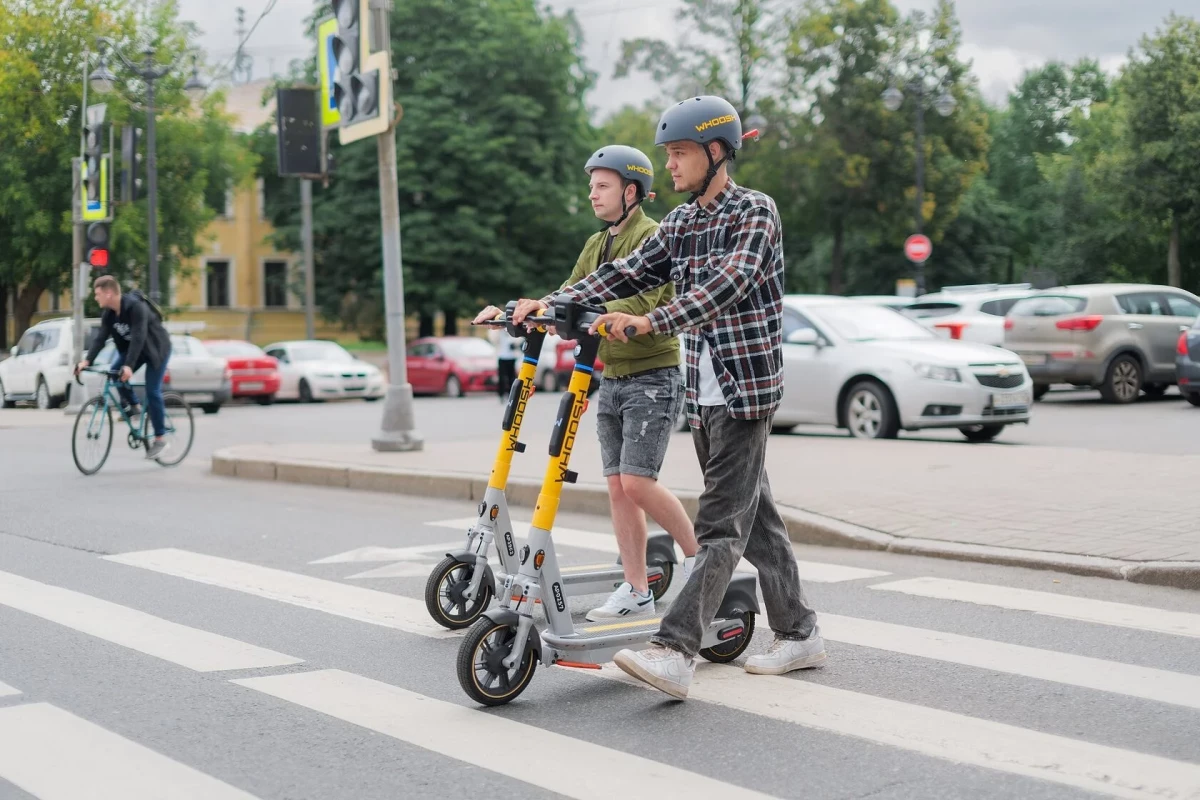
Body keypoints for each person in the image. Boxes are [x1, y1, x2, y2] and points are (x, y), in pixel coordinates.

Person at [513, 97, 825, 699]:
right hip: (704, 392)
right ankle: (800, 631)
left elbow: (723, 287)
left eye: (680, 154)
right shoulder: (681, 224)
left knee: (719, 528)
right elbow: (624, 274)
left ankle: (675, 649)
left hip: (744, 388)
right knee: (754, 519)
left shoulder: (755, 212)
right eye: (668, 155)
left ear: (715, 153)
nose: (671, 166)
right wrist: (551, 305)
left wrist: (651, 323)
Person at [475, 144, 699, 620]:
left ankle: (704, 561)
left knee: (637, 483)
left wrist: (596, 315)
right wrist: (535, 308)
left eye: (603, 186)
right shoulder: (596, 245)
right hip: (611, 376)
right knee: (618, 487)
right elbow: (574, 290)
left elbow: (650, 303)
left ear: (631, 191)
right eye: (591, 185)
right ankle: (637, 588)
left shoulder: (653, 236)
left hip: (653, 376)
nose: (593, 194)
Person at [76, 275, 173, 459]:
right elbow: (101, 338)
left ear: (109, 293)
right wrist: (86, 361)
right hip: (134, 352)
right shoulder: (109, 314)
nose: (95, 298)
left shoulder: (137, 308)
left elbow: (138, 337)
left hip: (156, 350)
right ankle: (135, 406)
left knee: (152, 391)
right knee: (114, 373)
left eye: (98, 294)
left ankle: (160, 438)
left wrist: (128, 366)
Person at [491, 327, 521, 400]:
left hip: (511, 356)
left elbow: (519, 338)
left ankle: (512, 394)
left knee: (512, 377)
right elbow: (493, 339)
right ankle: (501, 394)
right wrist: (498, 330)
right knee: (502, 377)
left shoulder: (511, 329)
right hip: (501, 356)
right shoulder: (497, 331)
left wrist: (514, 343)